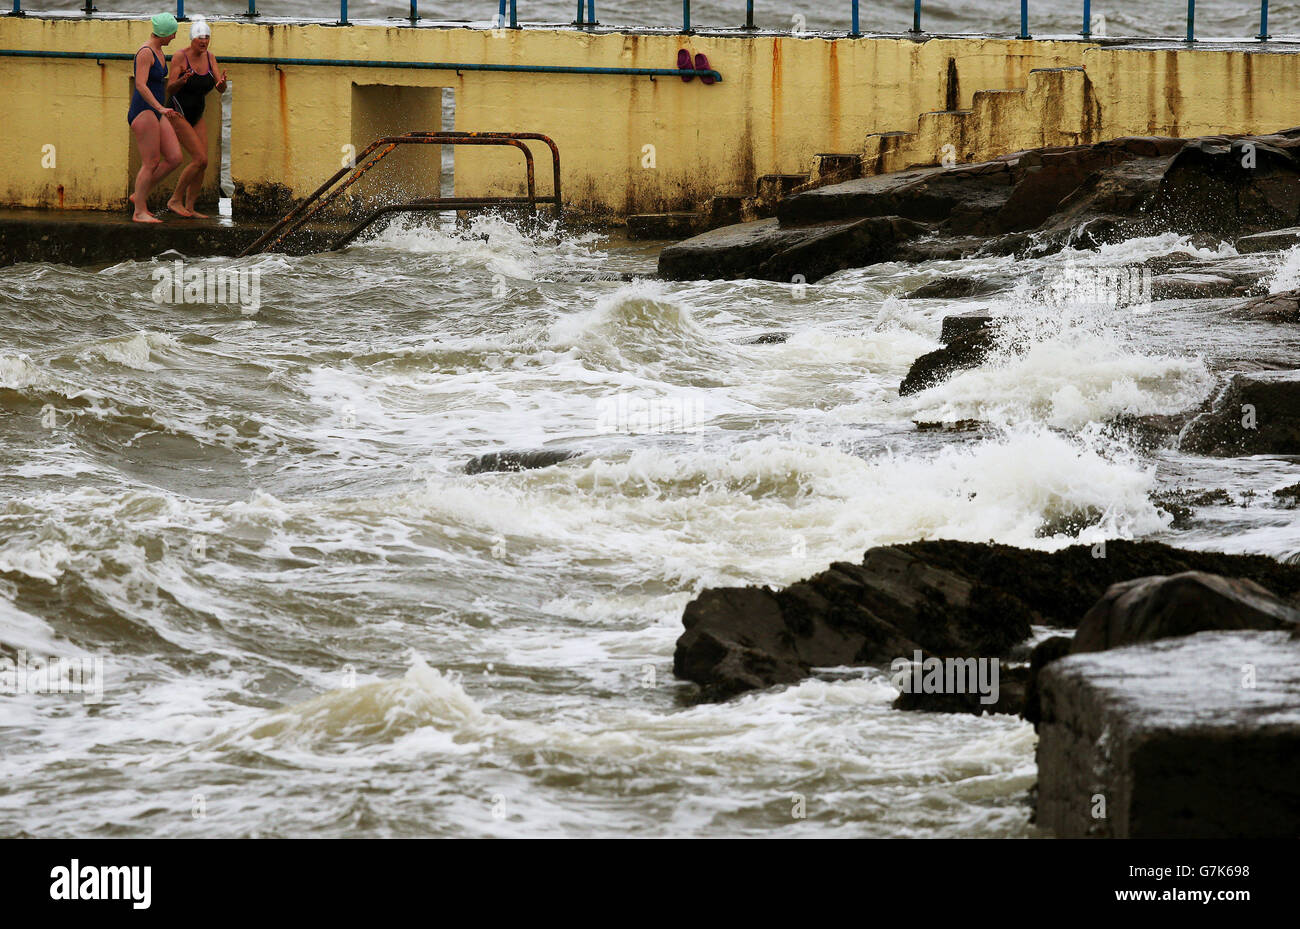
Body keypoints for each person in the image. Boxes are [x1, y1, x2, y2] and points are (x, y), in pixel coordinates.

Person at [127, 13, 189, 223]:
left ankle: (139, 196)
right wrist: (159, 108)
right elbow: (141, 85)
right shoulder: (145, 52)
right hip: (144, 110)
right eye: (172, 34)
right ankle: (139, 212)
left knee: (174, 158)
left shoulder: (160, 50)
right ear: (163, 33)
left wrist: (164, 108)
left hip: (157, 110)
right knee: (151, 162)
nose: (173, 37)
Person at [167, 17, 227, 218]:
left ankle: (190, 207)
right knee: (199, 158)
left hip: (197, 113)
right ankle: (175, 200)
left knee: (203, 162)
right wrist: (182, 80)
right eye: (200, 38)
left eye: (207, 38)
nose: (204, 42)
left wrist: (222, 85)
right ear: (192, 39)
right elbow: (170, 88)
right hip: (178, 112)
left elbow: (220, 87)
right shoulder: (180, 57)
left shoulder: (210, 57)